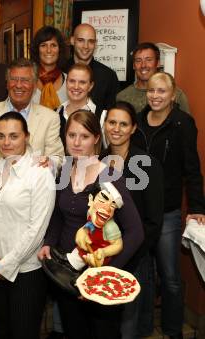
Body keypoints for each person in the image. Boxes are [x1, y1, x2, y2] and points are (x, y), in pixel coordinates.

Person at [38, 109, 144, 339]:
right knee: (75, 331)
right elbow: (58, 215)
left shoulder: (110, 176)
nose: (76, 142)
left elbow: (135, 232)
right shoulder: (65, 169)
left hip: (98, 274)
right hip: (67, 273)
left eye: (84, 136)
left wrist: (101, 275)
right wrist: (49, 243)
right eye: (71, 135)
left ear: (96, 138)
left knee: (103, 333)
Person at [132, 72, 205, 339]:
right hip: (139, 212)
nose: (155, 96)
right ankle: (144, 328)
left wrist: (197, 207)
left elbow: (192, 169)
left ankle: (173, 331)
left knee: (170, 277)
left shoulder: (182, 124)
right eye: (151, 90)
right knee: (144, 274)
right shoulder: (137, 122)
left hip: (167, 213)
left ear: (173, 95)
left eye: (162, 91)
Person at [0, 111, 56, 339]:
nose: (6, 142)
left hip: (26, 273)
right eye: (0, 136)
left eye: (13, 136)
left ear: (27, 137)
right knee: (1, 331)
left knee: (23, 333)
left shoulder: (39, 174)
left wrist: (6, 265)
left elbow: (38, 229)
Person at [101, 101, 164, 338]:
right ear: (105, 125)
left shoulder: (146, 164)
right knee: (107, 321)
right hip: (106, 255)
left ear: (133, 128)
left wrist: (128, 252)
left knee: (130, 324)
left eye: (123, 124)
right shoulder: (99, 161)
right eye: (112, 122)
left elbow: (154, 221)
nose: (116, 128)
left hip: (136, 256)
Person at [0, 58, 64, 169]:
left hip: (36, 183)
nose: (19, 85)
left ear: (35, 85)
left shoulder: (50, 118)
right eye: (14, 79)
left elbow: (57, 158)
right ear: (7, 84)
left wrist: (49, 163)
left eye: (25, 80)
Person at [117, 42, 190, 114]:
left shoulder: (175, 94)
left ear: (158, 63)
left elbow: (185, 123)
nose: (143, 65)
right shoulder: (123, 97)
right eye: (138, 61)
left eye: (148, 60)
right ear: (134, 65)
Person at [65, 23, 119, 110]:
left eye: (91, 41)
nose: (86, 46)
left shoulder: (108, 76)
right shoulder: (60, 71)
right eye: (81, 40)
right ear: (72, 40)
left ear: (95, 44)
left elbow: (111, 113)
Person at [57, 63, 106, 147]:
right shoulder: (56, 113)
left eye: (82, 82)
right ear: (66, 83)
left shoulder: (102, 116)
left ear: (90, 86)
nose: (76, 87)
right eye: (72, 81)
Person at [30, 26, 68, 110]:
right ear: (37, 49)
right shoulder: (27, 79)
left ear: (60, 49)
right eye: (43, 45)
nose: (48, 50)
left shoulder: (70, 81)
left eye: (53, 45)